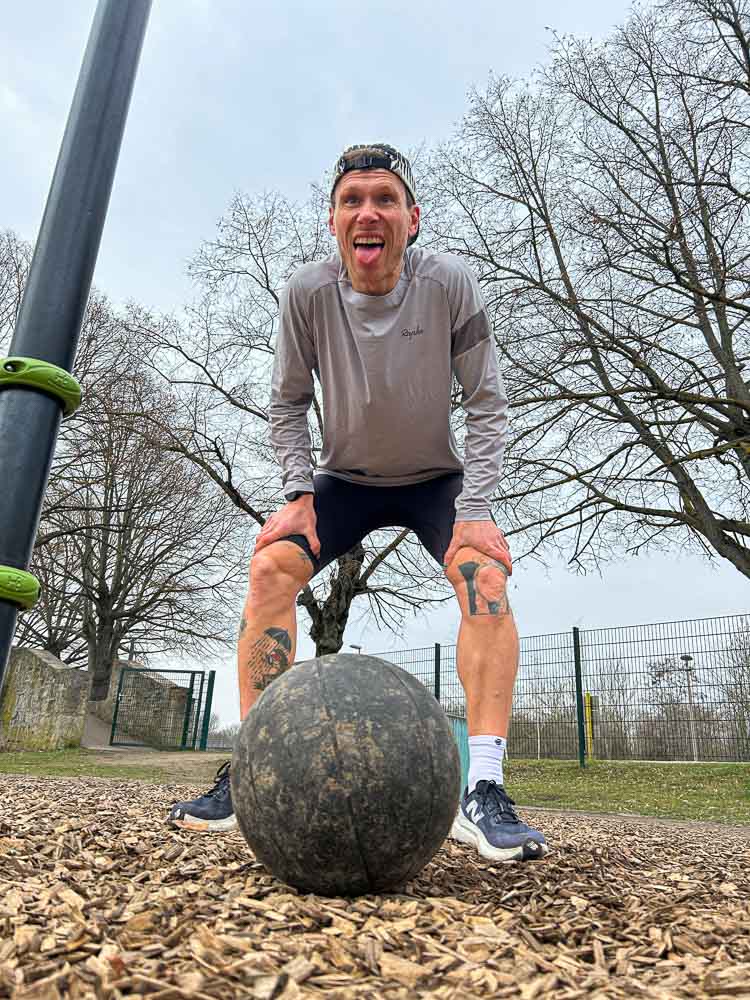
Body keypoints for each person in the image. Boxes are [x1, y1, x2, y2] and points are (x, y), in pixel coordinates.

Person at [169, 143, 548, 862]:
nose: (367, 212)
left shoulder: (449, 285)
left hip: (436, 480)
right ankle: (253, 766)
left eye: (383, 198)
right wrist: (297, 493)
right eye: (351, 200)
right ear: (334, 221)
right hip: (344, 482)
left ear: (412, 218)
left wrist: (478, 508)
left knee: (486, 580)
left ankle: (485, 790)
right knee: (270, 571)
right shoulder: (307, 293)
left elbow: (488, 405)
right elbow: (285, 404)